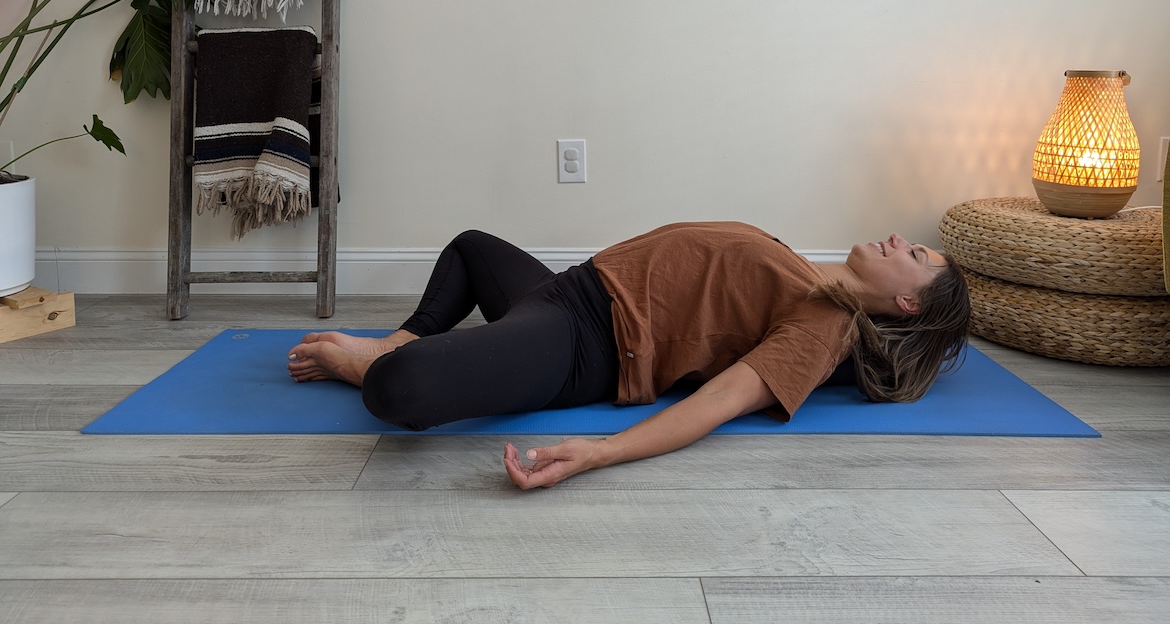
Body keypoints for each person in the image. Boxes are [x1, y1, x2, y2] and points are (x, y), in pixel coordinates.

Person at [287, 221, 970, 489]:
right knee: (471, 247)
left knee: (398, 388)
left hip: (591, 344)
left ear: (909, 305)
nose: (894, 237)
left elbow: (719, 401)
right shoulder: (811, 274)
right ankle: (401, 337)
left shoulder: (827, 328)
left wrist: (599, 451)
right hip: (572, 290)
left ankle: (377, 361)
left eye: (912, 255)